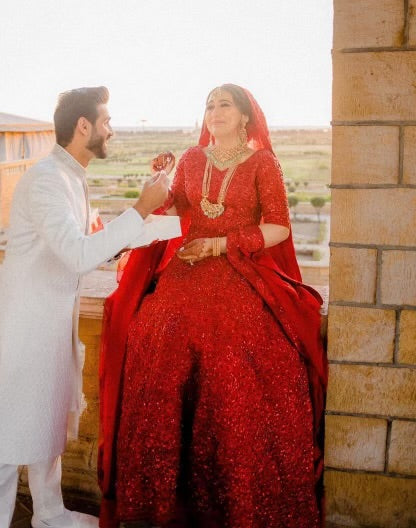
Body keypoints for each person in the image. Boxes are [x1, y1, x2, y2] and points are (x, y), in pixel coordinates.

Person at [98, 84, 327, 528]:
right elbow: (173, 208)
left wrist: (222, 244)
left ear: (245, 117)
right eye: (209, 105)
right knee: (156, 332)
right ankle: (158, 499)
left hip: (239, 269)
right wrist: (160, 180)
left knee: (240, 348)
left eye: (225, 104)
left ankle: (236, 497)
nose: (214, 111)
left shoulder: (264, 163)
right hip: (185, 270)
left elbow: (278, 227)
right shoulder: (190, 159)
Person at [0, 86, 170, 528]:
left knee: (46, 416)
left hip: (52, 322)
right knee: (6, 433)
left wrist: (155, 222)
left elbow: (86, 247)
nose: (112, 129)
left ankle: (50, 513)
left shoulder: (71, 176)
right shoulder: (46, 180)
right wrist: (138, 209)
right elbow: (77, 254)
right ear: (84, 126)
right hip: (24, 324)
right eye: (107, 121)